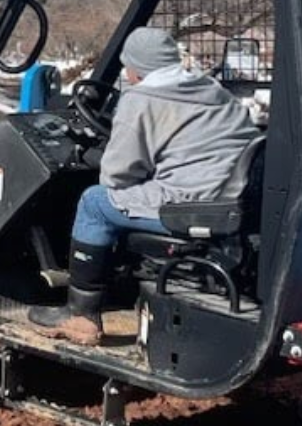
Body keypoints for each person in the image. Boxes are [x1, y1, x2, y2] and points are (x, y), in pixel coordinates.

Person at [31, 24, 262, 346]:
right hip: (232, 197)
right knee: (123, 197)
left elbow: (115, 177)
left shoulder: (140, 99)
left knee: (94, 202)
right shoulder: (211, 89)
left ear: (134, 68)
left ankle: (80, 315)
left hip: (187, 203)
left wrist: (100, 155)